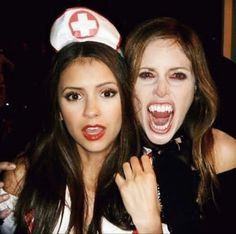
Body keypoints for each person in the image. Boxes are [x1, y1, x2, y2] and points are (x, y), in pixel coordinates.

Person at [0, 7, 162, 234]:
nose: (91, 111)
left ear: (126, 100)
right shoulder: (26, 177)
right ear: (58, 108)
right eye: (74, 96)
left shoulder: (160, 176)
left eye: (107, 93)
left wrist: (151, 226)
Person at [123, 16, 236, 233]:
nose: (161, 90)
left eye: (177, 75)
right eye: (146, 75)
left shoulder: (222, 154)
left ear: (196, 87)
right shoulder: (105, 152)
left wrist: (150, 226)